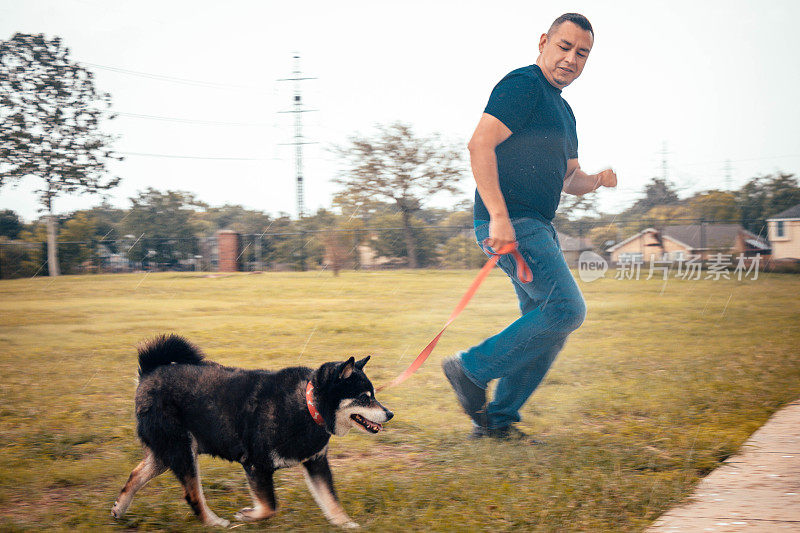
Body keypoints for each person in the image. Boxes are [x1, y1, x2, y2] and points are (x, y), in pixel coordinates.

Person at [442, 13, 617, 441]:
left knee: (547, 328)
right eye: (564, 46)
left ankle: (497, 422)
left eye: (582, 53)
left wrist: (595, 180)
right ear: (543, 42)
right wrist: (499, 217)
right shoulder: (522, 85)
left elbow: (568, 179)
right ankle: (470, 369)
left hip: (537, 224)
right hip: (512, 221)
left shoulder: (564, 111)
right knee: (566, 310)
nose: (571, 59)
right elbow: (479, 143)